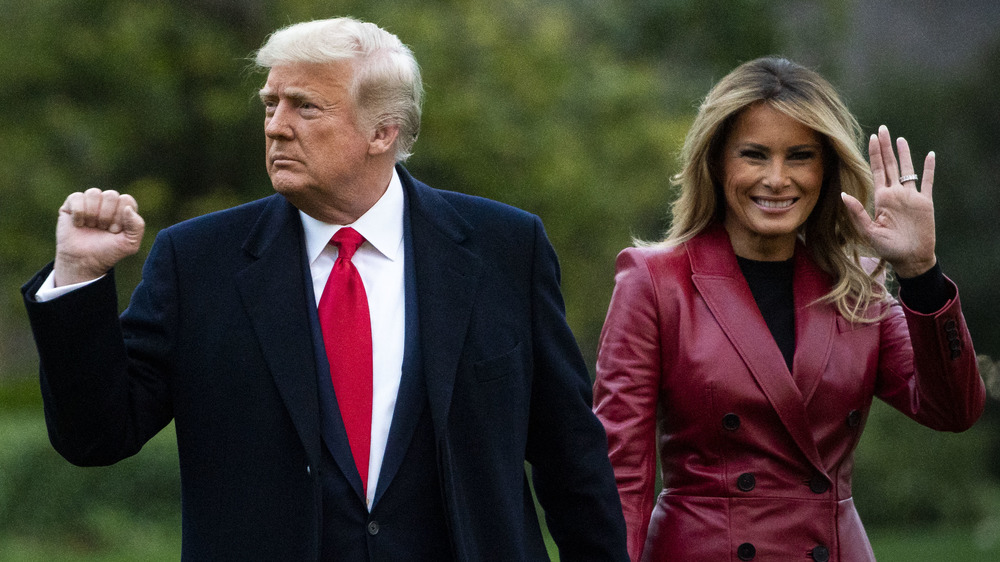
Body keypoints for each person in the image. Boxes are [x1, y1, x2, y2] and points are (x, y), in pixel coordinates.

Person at [22, 17, 628, 561]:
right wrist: (79, 276)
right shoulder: (197, 260)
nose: (276, 127)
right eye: (270, 104)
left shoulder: (505, 247)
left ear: (382, 132)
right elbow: (95, 437)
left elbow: (570, 454)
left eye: (305, 107)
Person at [592, 56, 985, 562]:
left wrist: (919, 271)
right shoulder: (654, 281)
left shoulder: (856, 282)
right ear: (717, 162)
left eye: (800, 156)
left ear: (826, 169)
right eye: (754, 155)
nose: (777, 179)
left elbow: (953, 410)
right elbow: (621, 470)